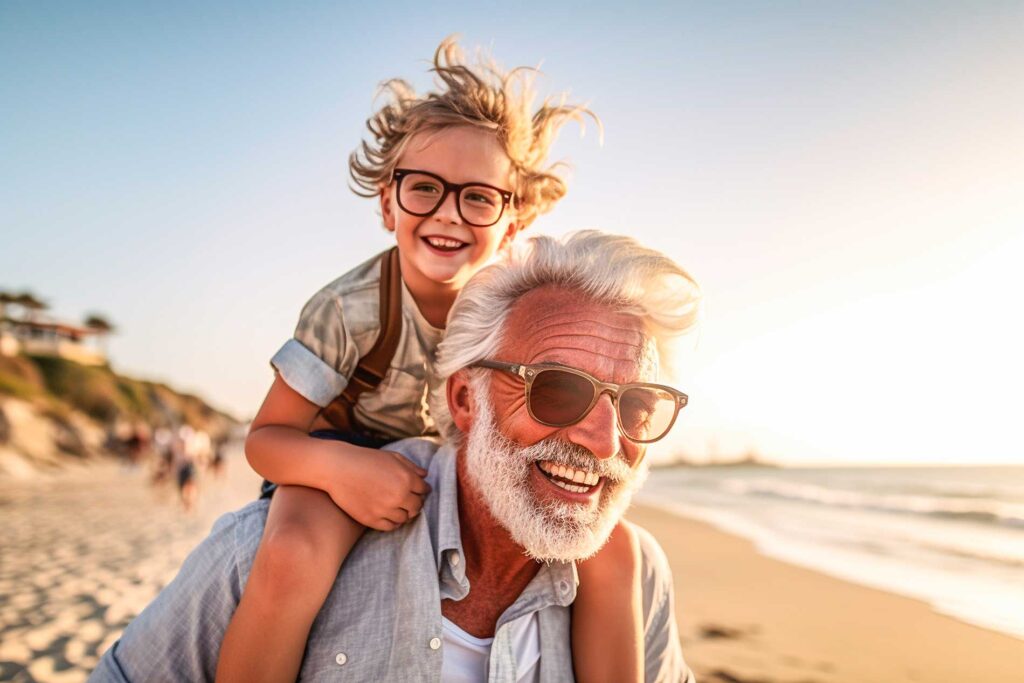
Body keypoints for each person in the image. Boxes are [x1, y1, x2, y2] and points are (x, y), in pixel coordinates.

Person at [212, 37, 645, 683]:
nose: (449, 214)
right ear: (388, 203)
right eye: (425, 189)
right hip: (337, 455)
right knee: (295, 551)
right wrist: (342, 469)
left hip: (459, 463)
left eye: (477, 197)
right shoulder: (349, 309)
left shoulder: (517, 311)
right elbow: (266, 440)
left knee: (617, 552)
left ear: (513, 219)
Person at [90, 230, 701, 682]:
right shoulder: (265, 551)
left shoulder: (637, 578)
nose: (603, 438)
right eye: (557, 390)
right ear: (465, 398)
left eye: (639, 404)